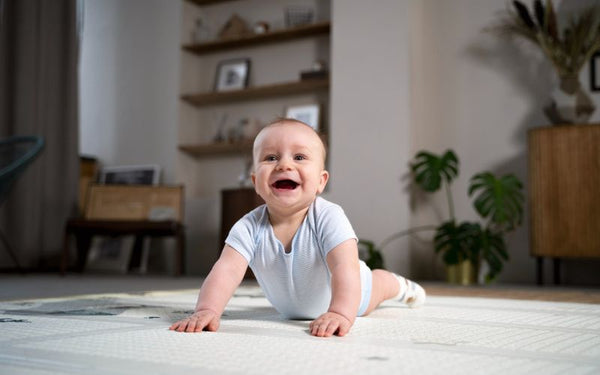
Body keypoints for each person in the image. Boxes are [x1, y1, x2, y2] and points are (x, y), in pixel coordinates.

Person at [169, 119, 426, 337]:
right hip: (292, 309)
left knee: (378, 285)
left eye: (299, 157)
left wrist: (339, 312)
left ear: (320, 181)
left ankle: (400, 285)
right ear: (256, 181)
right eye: (271, 158)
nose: (284, 165)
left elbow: (343, 268)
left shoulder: (328, 217)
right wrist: (207, 309)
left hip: (351, 295)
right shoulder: (248, 227)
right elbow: (225, 271)